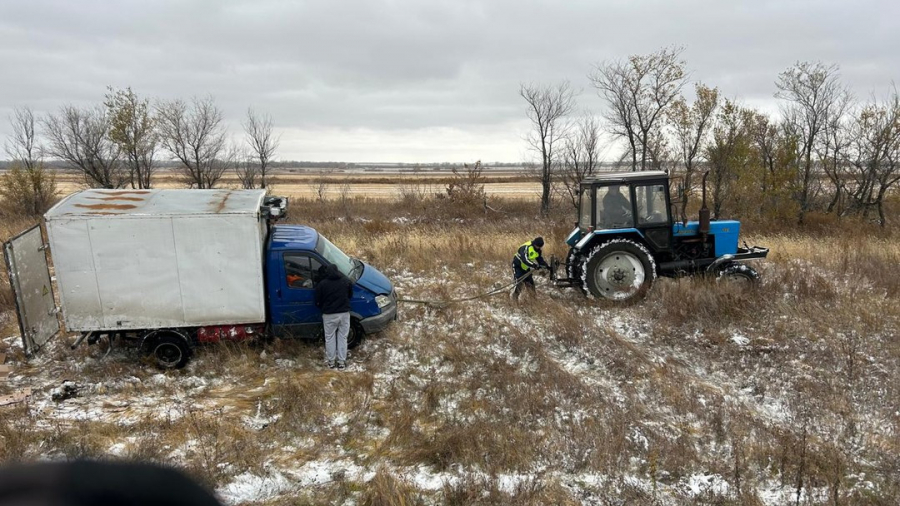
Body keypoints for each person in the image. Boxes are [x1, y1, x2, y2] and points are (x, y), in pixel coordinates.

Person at [314, 263, 353, 369]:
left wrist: (322, 306)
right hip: (344, 313)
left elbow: (317, 301)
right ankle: (341, 362)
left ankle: (331, 362)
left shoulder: (322, 284)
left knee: (329, 338)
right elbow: (350, 295)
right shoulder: (345, 281)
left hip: (329, 315)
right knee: (343, 337)